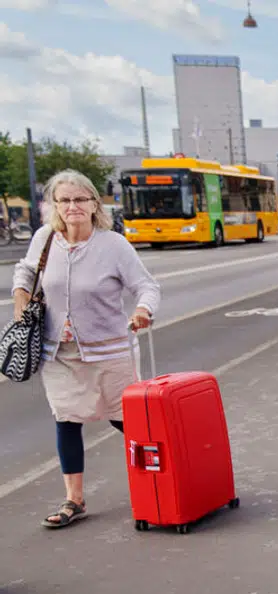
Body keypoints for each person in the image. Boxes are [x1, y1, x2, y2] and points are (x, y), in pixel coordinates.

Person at [10, 169, 160, 529]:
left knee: (128, 421)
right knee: (66, 419)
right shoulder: (46, 238)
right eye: (65, 200)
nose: (73, 206)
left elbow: (147, 286)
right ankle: (74, 500)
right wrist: (20, 301)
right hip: (59, 353)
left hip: (110, 351)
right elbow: (25, 272)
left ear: (94, 203)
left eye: (80, 199)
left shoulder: (113, 245)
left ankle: (163, 482)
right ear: (55, 206)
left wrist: (143, 310)